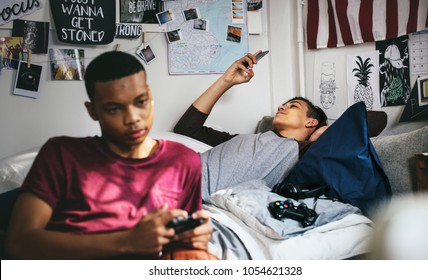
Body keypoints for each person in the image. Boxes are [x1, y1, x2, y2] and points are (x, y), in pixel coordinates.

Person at [5, 51, 212, 259]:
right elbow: (19, 243)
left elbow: (183, 241)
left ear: (150, 95)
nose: (133, 119)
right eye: (114, 109)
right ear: (92, 111)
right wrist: (128, 241)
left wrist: (194, 244)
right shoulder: (61, 154)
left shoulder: (184, 161)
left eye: (140, 102)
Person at [174, 51, 328, 200]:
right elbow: (186, 128)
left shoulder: (300, 150)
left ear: (311, 122)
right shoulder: (241, 139)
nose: (281, 107)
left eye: (293, 106)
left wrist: (317, 137)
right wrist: (226, 81)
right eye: (284, 104)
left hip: (182, 195)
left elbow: (344, 135)